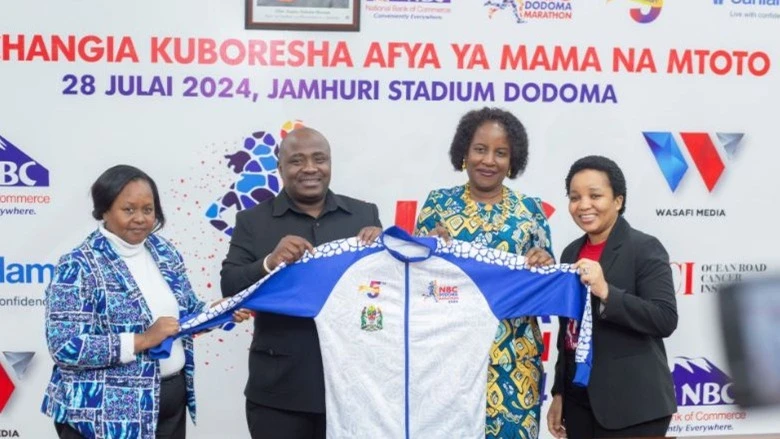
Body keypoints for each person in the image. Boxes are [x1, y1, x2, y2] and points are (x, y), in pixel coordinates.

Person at [41, 165, 249, 439]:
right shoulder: (78, 265)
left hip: (169, 408)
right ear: (104, 210)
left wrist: (218, 312)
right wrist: (143, 339)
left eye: (148, 210)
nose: (140, 218)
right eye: (129, 209)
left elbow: (185, 316)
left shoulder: (164, 251)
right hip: (105, 417)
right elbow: (65, 347)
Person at [220, 127, 382, 439]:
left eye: (319, 159)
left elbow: (384, 288)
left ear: (330, 164)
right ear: (280, 168)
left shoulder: (363, 214)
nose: (309, 168)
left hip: (352, 389)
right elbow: (230, 286)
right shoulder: (253, 221)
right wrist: (270, 261)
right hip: (279, 394)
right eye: (297, 161)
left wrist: (385, 248)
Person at [415, 107, 554, 438]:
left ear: (513, 160)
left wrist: (543, 262)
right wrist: (427, 252)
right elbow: (418, 285)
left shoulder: (531, 211)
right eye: (480, 149)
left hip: (514, 362)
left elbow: (546, 287)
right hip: (448, 362)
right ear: (464, 152)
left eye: (501, 153)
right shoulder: (438, 205)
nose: (489, 160)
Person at [546, 155, 678, 438]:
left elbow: (664, 319)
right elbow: (568, 333)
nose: (584, 205)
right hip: (579, 404)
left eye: (595, 195)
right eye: (575, 197)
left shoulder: (645, 248)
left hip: (633, 407)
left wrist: (606, 292)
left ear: (618, 200)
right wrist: (559, 393)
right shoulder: (571, 253)